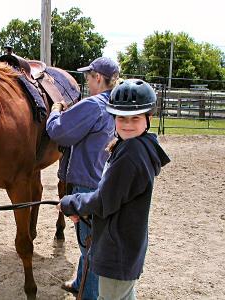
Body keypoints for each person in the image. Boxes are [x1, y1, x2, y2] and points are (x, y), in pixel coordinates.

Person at [58, 79, 171, 300]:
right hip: (125, 244)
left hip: (118, 248)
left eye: (135, 118)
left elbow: (102, 201)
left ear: (149, 118)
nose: (127, 124)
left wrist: (70, 202)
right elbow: (113, 197)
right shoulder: (135, 146)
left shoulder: (131, 154)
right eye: (121, 117)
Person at [47, 57, 120, 299]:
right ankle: (80, 281)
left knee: (88, 244)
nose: (87, 82)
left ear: (98, 77)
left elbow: (59, 131)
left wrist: (55, 111)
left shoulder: (93, 105)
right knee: (88, 240)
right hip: (101, 178)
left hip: (85, 182)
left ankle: (88, 294)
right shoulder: (116, 104)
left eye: (88, 77)